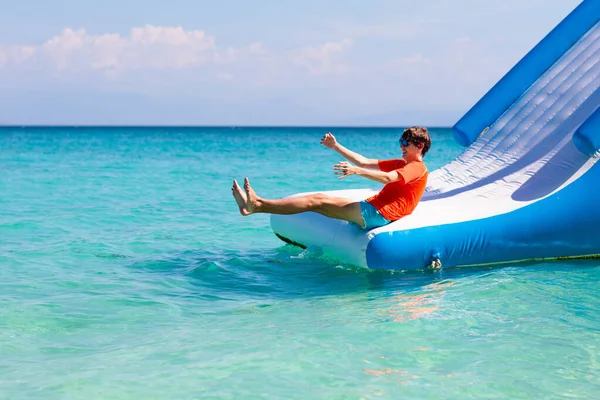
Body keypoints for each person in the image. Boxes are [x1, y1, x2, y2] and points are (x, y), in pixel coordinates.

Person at [231, 126, 431, 230]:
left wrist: (357, 172)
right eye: (400, 141)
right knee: (317, 200)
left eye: (405, 142)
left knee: (316, 200)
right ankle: (256, 206)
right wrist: (336, 146)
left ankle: (257, 205)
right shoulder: (400, 163)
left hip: (378, 215)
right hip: (372, 207)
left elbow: (388, 178)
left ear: (419, 146)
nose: (401, 146)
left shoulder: (417, 168)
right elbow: (363, 161)